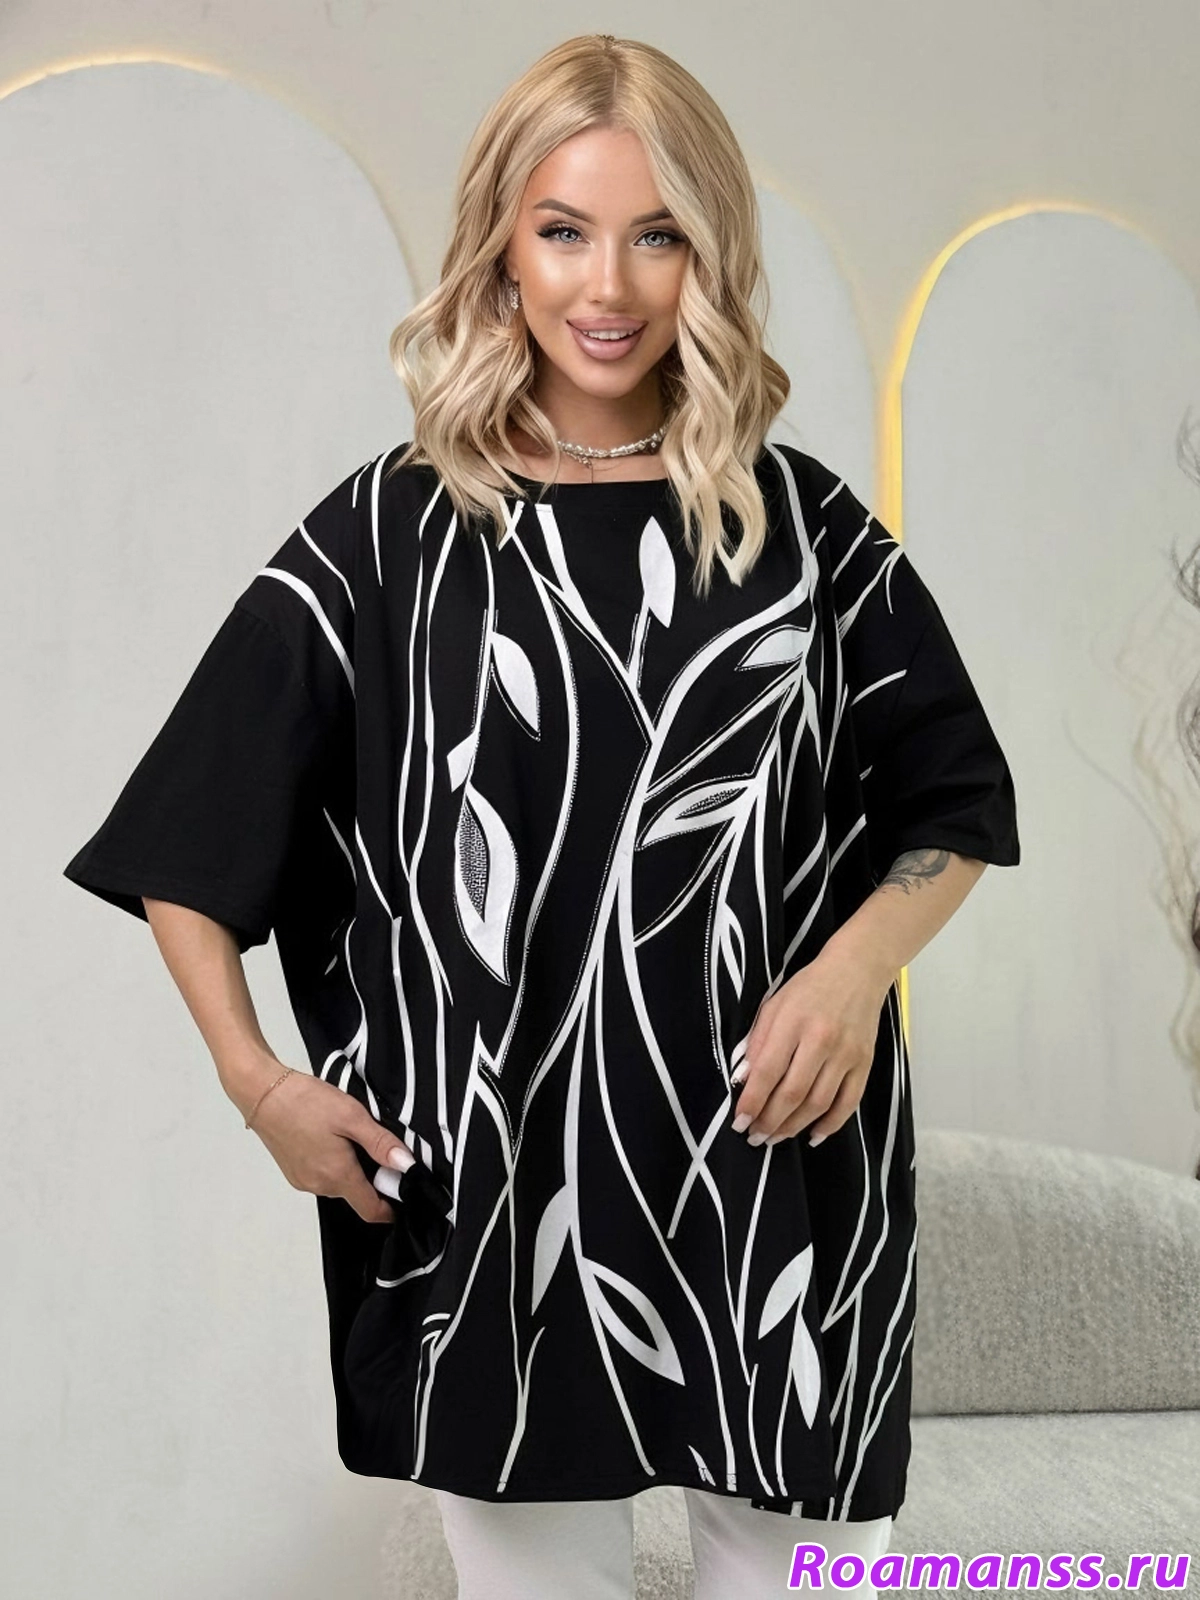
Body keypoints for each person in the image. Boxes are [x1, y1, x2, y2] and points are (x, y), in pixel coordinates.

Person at [62, 32, 1020, 1600]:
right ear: (501, 245)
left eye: (659, 235)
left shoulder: (805, 531)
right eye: (565, 230)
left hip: (779, 1188)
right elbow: (193, 827)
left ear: (709, 255)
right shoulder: (391, 534)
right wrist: (256, 1082)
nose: (610, 285)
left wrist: (852, 976)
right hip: (490, 1213)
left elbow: (956, 801)